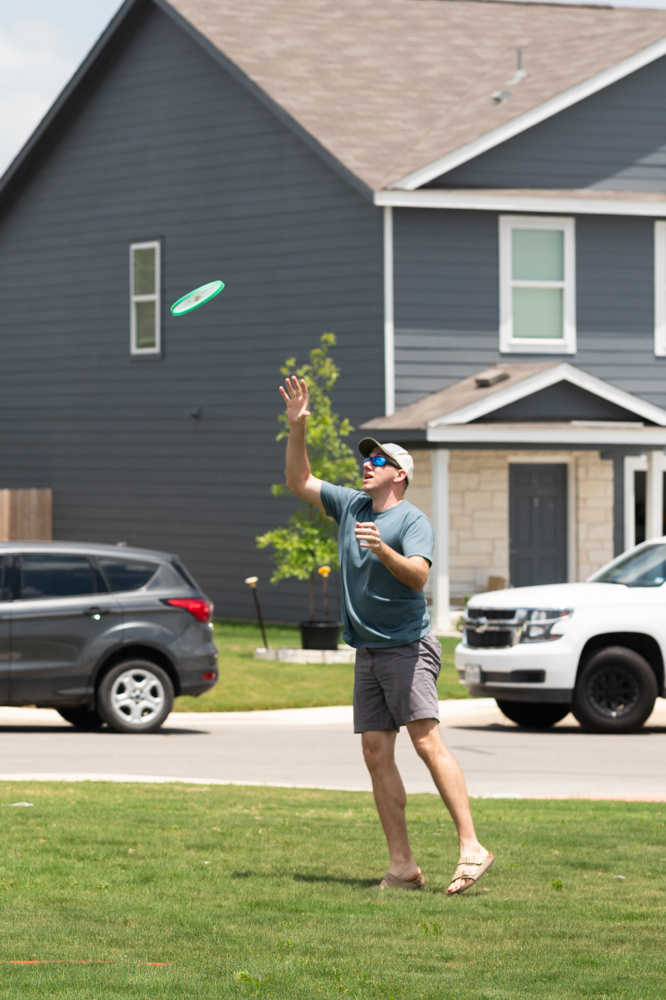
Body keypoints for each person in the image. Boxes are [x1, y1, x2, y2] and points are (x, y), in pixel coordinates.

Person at [279, 375, 494, 894]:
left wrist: (383, 551)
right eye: (366, 459)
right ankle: (402, 866)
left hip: (406, 646)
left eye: (377, 461)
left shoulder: (411, 521)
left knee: (426, 741)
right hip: (369, 650)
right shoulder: (352, 505)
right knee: (376, 751)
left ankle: (472, 846)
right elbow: (299, 482)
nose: (367, 465)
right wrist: (297, 427)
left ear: (399, 474)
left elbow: (419, 577)